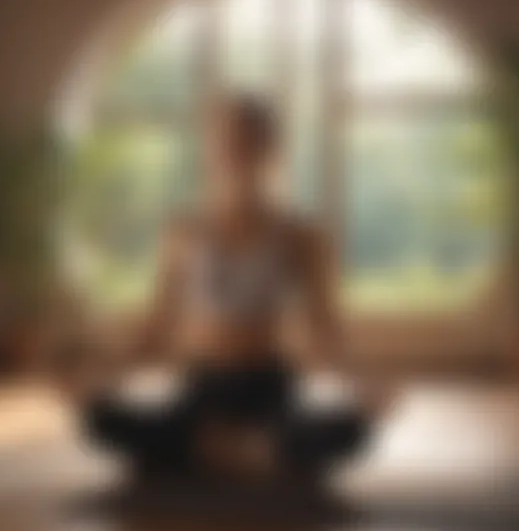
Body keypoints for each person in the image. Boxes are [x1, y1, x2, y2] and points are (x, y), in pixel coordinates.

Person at [68, 95, 369, 481]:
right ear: (212, 150)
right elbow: (155, 328)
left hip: (270, 384)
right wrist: (101, 380)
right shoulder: (182, 231)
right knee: (99, 422)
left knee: (352, 433)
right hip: (204, 383)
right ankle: (243, 449)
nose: (236, 151)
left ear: (271, 147)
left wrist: (364, 386)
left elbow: (327, 327)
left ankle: (215, 448)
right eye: (226, 140)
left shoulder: (301, 235)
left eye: (248, 139)